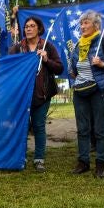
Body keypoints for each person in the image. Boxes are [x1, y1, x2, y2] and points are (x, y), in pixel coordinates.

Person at [69, 11, 104, 178]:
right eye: (81, 23)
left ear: (96, 25)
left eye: (86, 23)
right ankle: (83, 162)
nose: (82, 26)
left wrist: (102, 64)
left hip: (100, 91)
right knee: (82, 129)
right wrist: (77, 77)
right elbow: (73, 69)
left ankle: (101, 164)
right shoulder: (77, 45)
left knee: (100, 130)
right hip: (80, 91)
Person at [10, 16, 62, 172]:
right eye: (26, 26)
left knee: (39, 126)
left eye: (32, 26)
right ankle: (21, 157)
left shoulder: (48, 46)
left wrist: (46, 59)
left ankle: (39, 159)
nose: (28, 28)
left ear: (39, 29)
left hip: (42, 95)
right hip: (22, 95)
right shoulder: (17, 48)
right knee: (22, 127)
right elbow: (9, 69)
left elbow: (59, 68)